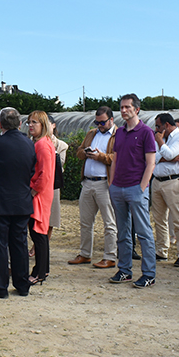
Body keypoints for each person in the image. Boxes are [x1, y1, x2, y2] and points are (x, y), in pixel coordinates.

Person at [0, 107, 36, 298]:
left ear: (0, 124)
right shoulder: (29, 143)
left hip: (0, 202)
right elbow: (31, 169)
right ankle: (22, 284)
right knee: (19, 244)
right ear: (19, 124)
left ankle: (0, 287)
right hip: (21, 201)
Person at [108, 94, 157, 288]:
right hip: (118, 188)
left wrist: (141, 187)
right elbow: (115, 159)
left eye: (127, 107)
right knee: (123, 232)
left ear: (137, 109)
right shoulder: (119, 132)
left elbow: (151, 163)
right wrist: (112, 184)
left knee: (143, 233)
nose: (123, 110)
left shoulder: (146, 132)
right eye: (121, 107)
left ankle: (149, 274)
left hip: (136, 188)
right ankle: (124, 270)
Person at [70, 106, 118, 268]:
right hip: (88, 182)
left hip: (105, 183)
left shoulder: (118, 135)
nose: (99, 125)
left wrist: (100, 157)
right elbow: (78, 152)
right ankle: (85, 254)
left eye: (102, 122)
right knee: (85, 221)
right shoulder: (92, 133)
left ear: (111, 120)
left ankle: (110, 256)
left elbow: (119, 158)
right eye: (97, 122)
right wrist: (85, 152)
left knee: (109, 223)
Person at [151, 113, 179, 267]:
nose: (156, 130)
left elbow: (168, 153)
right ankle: (162, 251)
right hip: (157, 181)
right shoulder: (161, 139)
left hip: (174, 181)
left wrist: (161, 144)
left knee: (178, 218)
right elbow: (152, 157)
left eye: (158, 126)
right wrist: (168, 157)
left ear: (166, 125)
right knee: (159, 219)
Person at [27, 111, 56, 285]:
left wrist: (33, 191)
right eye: (29, 122)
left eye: (34, 122)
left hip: (39, 195)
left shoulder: (42, 145)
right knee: (39, 233)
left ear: (43, 124)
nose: (31, 125)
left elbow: (45, 174)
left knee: (38, 233)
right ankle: (42, 270)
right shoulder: (42, 142)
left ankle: (40, 272)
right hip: (41, 193)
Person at [47, 114, 68, 246]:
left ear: (53, 125)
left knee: (51, 218)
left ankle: (40, 245)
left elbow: (59, 167)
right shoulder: (31, 142)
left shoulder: (61, 145)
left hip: (52, 185)